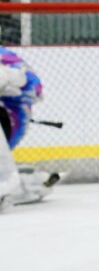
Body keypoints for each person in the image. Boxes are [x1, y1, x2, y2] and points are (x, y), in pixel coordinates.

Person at [0, 45, 58, 212]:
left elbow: (35, 88)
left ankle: (5, 181)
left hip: (9, 120)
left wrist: (12, 78)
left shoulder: (4, 57)